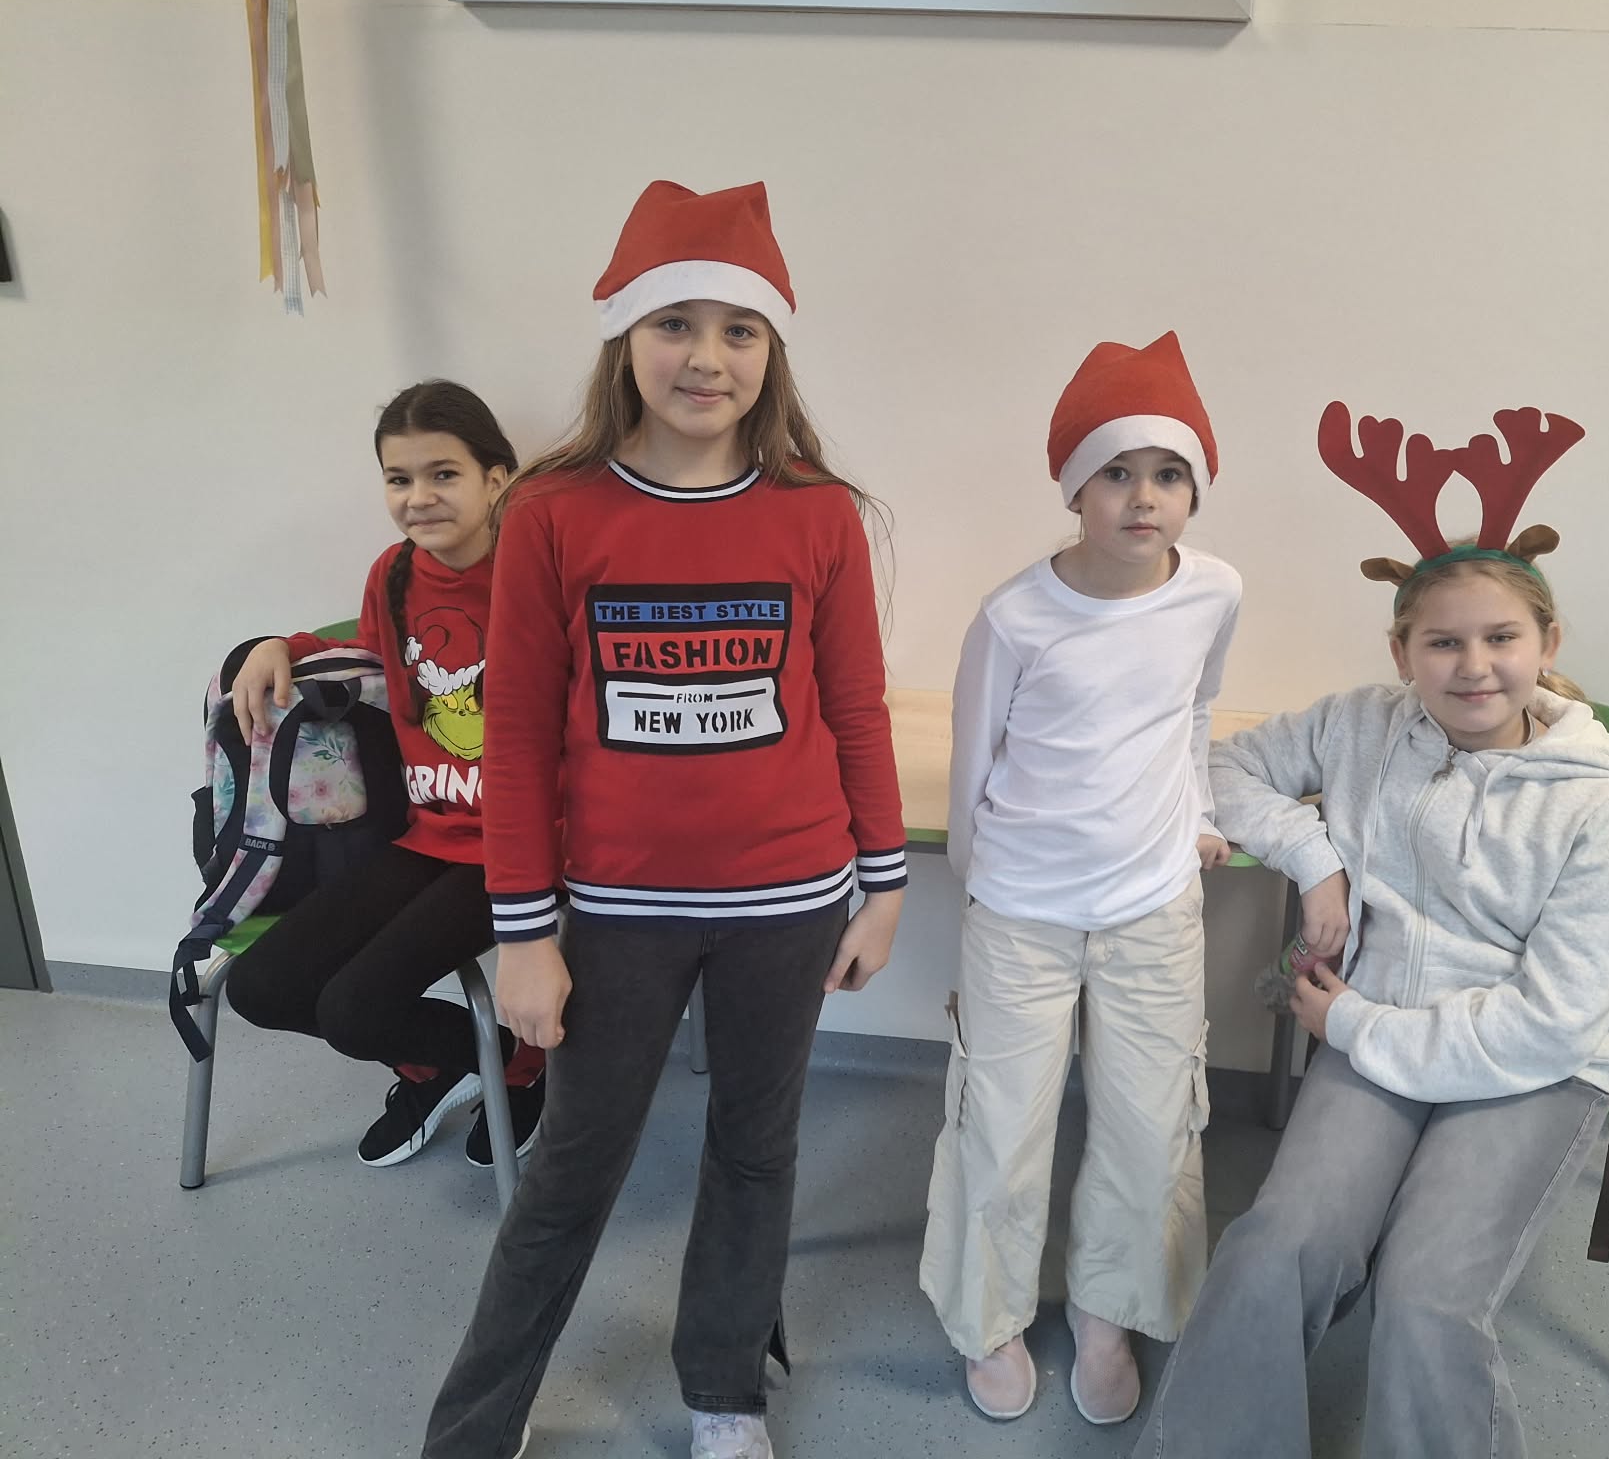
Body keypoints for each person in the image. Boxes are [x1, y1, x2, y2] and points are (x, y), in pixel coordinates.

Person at [422, 181, 907, 1459]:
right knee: (573, 1168)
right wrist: (523, 934)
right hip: (614, 914)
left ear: (770, 349)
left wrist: (884, 883)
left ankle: (725, 1393)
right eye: (674, 324)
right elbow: (516, 740)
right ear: (624, 339)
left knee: (755, 1150)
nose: (707, 357)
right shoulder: (553, 512)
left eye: (738, 329)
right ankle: (474, 1427)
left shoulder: (818, 513)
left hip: (788, 905)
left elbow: (853, 709)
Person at [1134, 407, 1609, 1458]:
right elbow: (1224, 768)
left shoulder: (1599, 803)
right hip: (1375, 1024)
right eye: (1442, 642)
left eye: (1501, 639)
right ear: (1402, 652)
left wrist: (1357, 1031)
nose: (1474, 667)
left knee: (1427, 1298)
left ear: (1546, 645)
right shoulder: (1362, 724)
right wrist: (1317, 859)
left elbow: (1555, 1019)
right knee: (1272, 1249)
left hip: (1525, 1065)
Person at [920, 332, 1241, 1426]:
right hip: (1023, 910)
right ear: (1073, 489)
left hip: (1153, 904)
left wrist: (1197, 817)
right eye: (1116, 473)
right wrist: (991, 886)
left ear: (1194, 489)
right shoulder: (1015, 616)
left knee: (1149, 1124)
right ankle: (989, 1318)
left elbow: (1192, 712)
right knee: (1002, 1125)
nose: (1143, 498)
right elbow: (972, 765)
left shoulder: (1214, 592)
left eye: (1168, 474)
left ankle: (1112, 1312)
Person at [227, 379, 546, 1170]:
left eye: (444, 474)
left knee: (353, 1009)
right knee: (261, 989)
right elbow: (366, 648)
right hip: (428, 835)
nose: (418, 496)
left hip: (525, 847)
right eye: (399, 478)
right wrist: (280, 645)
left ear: (495, 479)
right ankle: (471, 1061)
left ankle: (517, 1071)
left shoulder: (541, 569)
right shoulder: (395, 573)